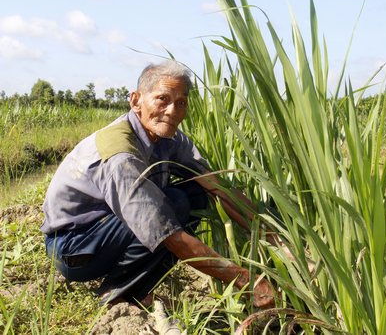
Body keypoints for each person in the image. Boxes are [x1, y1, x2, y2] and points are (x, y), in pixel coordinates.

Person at [41, 60, 275, 309]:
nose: (173, 111)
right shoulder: (121, 155)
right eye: (162, 99)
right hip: (74, 246)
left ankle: (134, 288)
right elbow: (166, 233)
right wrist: (246, 280)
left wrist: (274, 237)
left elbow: (216, 185)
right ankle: (118, 294)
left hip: (106, 228)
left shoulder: (169, 137)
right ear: (136, 101)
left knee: (197, 193)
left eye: (181, 102)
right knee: (173, 205)